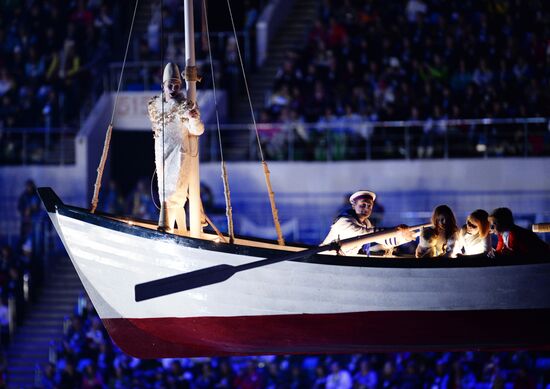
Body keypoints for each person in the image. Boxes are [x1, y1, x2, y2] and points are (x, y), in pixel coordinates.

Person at [148, 62, 204, 231]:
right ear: (163, 86)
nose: (173, 89)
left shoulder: (185, 105)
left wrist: (193, 118)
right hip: (161, 152)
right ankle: (178, 229)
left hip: (179, 152)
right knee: (164, 191)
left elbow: (197, 130)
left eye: (177, 85)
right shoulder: (153, 105)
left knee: (175, 193)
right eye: (170, 85)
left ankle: (170, 228)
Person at [322, 190, 414, 256]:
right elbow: (367, 234)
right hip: (327, 257)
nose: (366, 208)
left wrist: (404, 238)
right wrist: (397, 231)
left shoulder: (366, 223)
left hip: (345, 258)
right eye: (363, 205)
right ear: (354, 206)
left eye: (369, 206)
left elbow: (379, 238)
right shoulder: (344, 221)